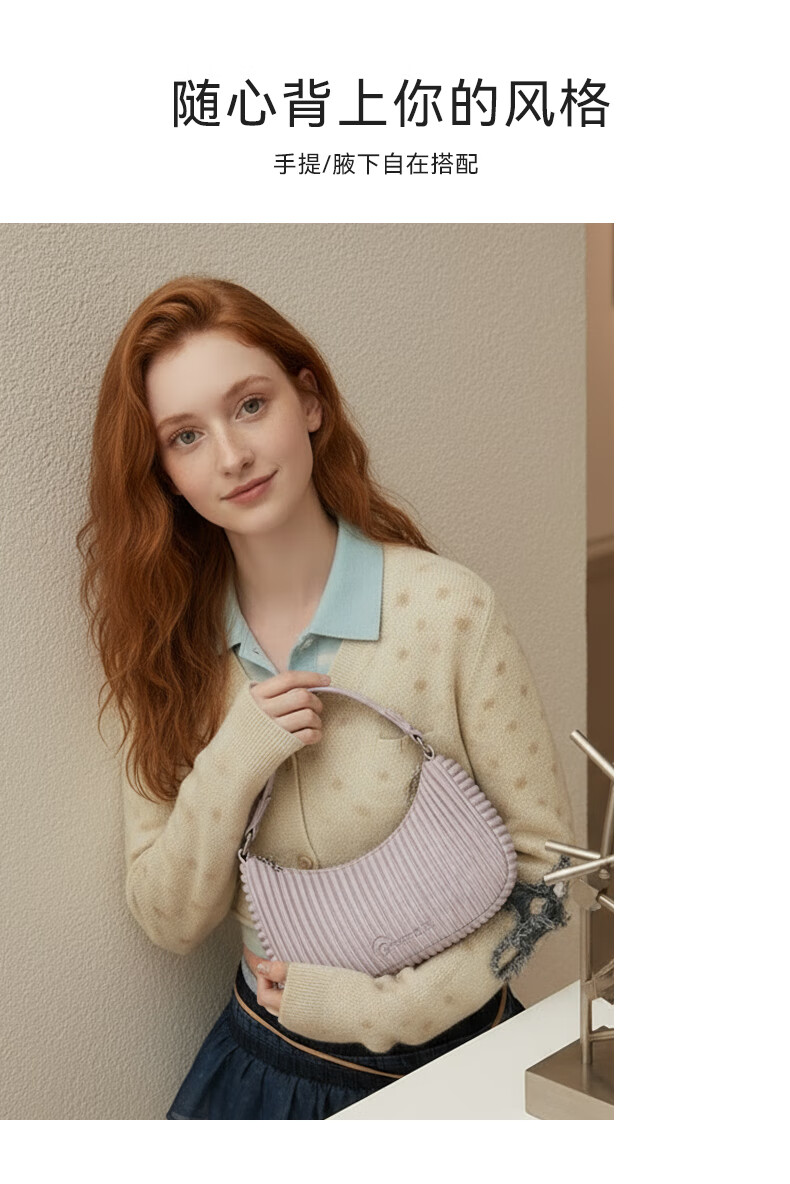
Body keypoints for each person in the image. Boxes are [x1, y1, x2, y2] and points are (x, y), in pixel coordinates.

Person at [77, 275, 575, 1120]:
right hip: (265, 1074)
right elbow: (168, 919)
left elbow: (553, 877)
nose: (231, 456)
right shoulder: (165, 657)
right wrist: (235, 758)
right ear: (164, 474)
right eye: (186, 436)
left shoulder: (449, 610)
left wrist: (379, 1013)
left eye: (250, 405)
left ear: (308, 401)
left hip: (462, 1065)